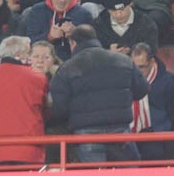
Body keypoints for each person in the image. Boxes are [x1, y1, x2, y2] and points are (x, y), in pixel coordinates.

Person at [50, 24, 150, 162]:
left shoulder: (67, 69)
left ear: (73, 43)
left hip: (86, 132)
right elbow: (142, 90)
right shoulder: (123, 60)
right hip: (119, 128)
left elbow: (59, 108)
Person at [0, 34, 48, 166]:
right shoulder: (36, 78)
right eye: (28, 53)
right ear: (19, 54)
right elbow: (45, 111)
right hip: (29, 151)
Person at [21, 0, 96, 65]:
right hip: (41, 63)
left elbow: (92, 48)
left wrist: (75, 33)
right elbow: (29, 43)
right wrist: (49, 36)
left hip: (72, 64)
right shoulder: (37, 11)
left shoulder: (84, 15)